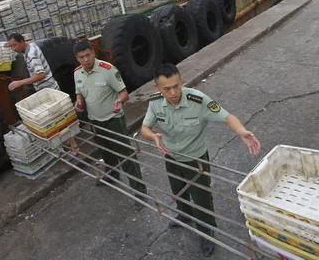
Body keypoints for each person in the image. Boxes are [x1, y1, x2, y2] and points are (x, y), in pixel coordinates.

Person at [140, 63, 261, 257]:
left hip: (196, 159)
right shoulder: (155, 102)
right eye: (167, 88)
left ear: (181, 82)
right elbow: (144, 129)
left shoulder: (198, 100)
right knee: (178, 191)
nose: (173, 92)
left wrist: (242, 132)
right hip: (171, 157)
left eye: (177, 86)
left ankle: (207, 232)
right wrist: (153, 136)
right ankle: (184, 214)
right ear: (157, 88)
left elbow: (227, 117)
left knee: (202, 198)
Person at [73, 40, 147, 210]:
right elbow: (79, 92)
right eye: (81, 57)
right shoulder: (77, 73)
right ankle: (112, 175)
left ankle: (140, 191)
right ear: (77, 59)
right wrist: (78, 102)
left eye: (88, 55)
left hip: (113, 119)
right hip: (95, 120)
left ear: (93, 53)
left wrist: (118, 102)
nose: (86, 60)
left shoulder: (108, 70)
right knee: (105, 150)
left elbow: (123, 93)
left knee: (125, 154)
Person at [6, 33, 78, 156]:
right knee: (56, 119)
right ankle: (67, 143)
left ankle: (74, 147)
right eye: (11, 46)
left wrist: (20, 82)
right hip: (45, 91)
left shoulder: (32, 54)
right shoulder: (29, 48)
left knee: (60, 118)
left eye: (15, 45)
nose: (14, 49)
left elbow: (41, 75)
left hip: (50, 91)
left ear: (23, 41)